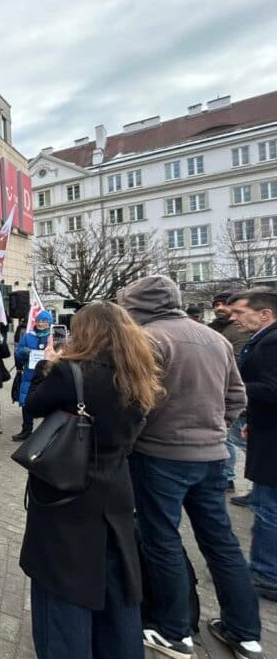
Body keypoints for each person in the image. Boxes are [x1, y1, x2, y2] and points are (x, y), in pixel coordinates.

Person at [117, 276, 264, 659]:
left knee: (161, 541)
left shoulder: (147, 339)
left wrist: (131, 444)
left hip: (160, 457)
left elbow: (135, 405)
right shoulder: (214, 338)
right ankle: (246, 633)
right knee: (222, 543)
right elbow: (237, 396)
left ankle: (174, 632)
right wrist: (215, 430)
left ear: (138, 307)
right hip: (211, 457)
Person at [21, 302, 164, 659]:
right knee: (117, 586)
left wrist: (47, 363)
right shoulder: (138, 371)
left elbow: (32, 405)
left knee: (63, 588)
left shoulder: (71, 372)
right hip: (114, 489)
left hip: (69, 492)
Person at [227, 289, 277, 604]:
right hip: (265, 428)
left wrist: (233, 386)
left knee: (268, 507)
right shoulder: (265, 339)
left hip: (273, 438)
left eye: (241, 311)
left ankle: (266, 573)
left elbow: (272, 388)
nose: (235, 317)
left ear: (265, 314)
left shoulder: (271, 343)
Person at [210, 290, 255, 500]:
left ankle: (261, 486)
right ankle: (227, 478)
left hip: (240, 395)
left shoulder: (240, 331)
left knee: (245, 442)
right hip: (230, 394)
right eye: (216, 304)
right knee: (230, 440)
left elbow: (236, 366)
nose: (219, 308)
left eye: (225, 304)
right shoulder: (217, 329)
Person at [12, 310, 53, 442]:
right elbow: (17, 354)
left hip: (48, 374)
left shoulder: (53, 337)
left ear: (49, 323)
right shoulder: (28, 336)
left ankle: (49, 433)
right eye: (39, 320)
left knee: (50, 404)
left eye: (44, 321)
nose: (41, 323)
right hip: (30, 374)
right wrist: (23, 352)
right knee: (27, 403)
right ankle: (26, 430)